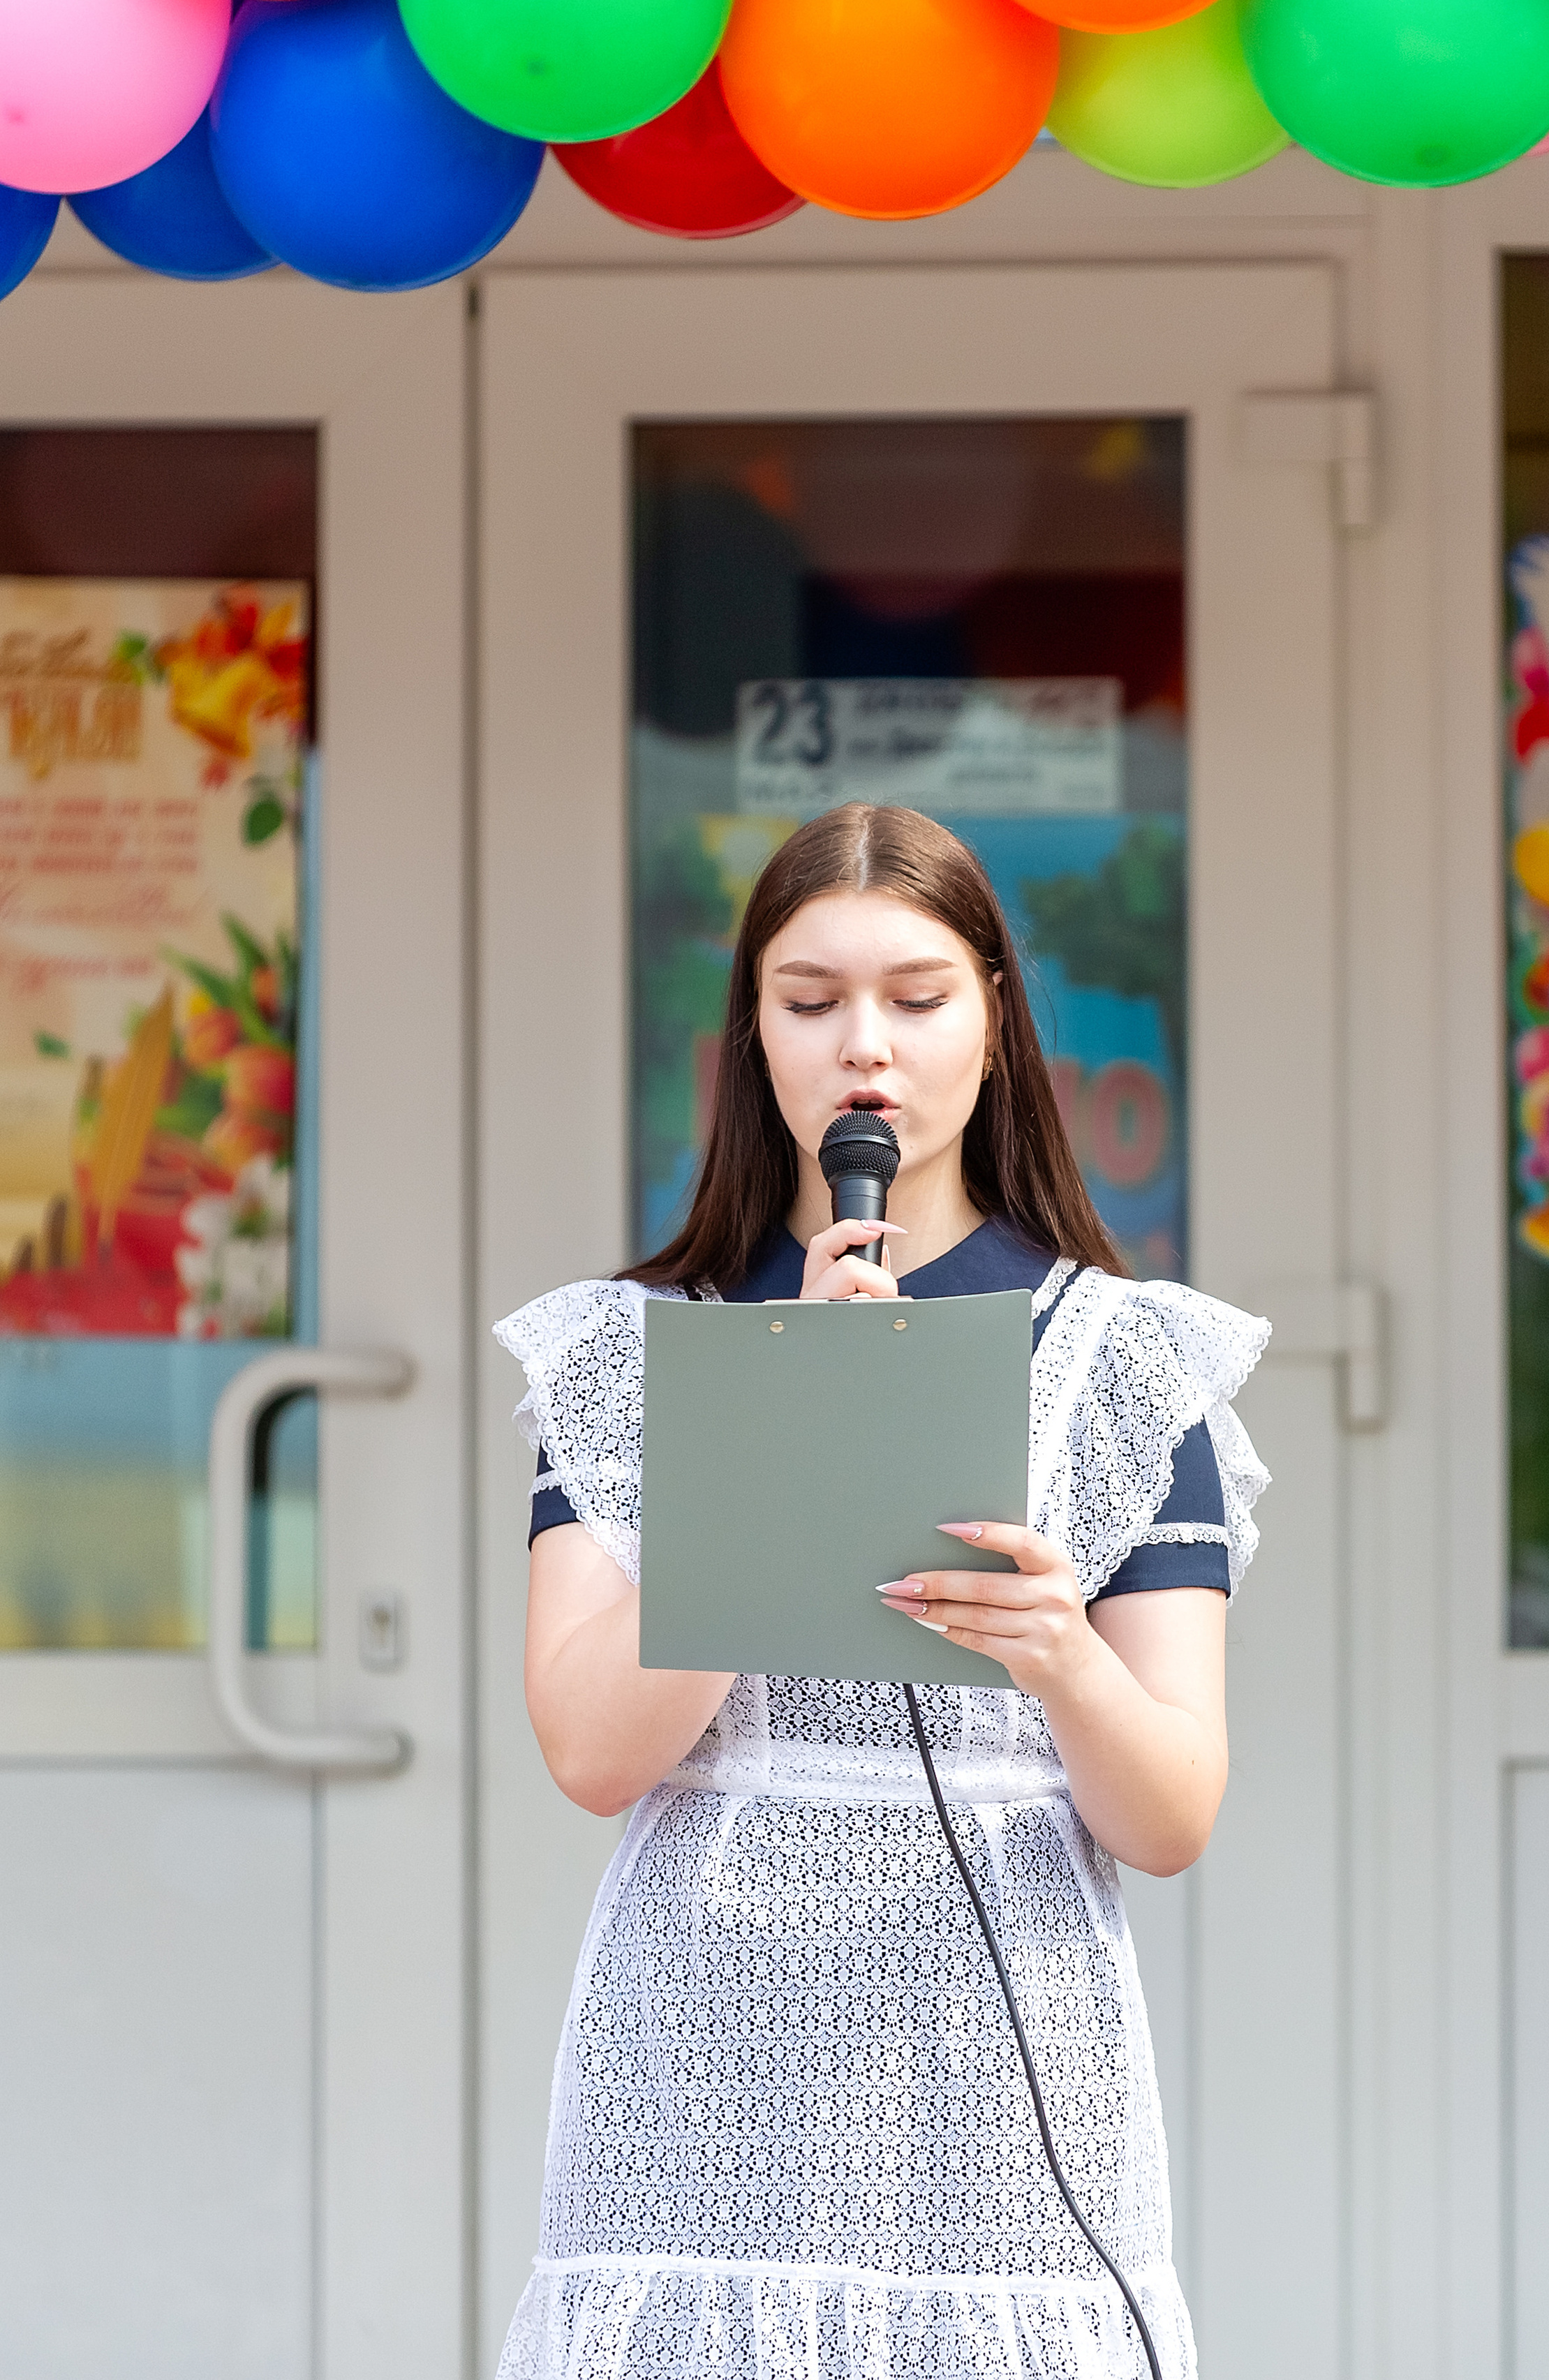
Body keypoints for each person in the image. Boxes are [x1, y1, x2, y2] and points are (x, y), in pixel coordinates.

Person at [496, 801, 1270, 2380]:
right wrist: (784, 1427)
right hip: (702, 2061)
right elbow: (589, 1750)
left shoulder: (1125, 1361)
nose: (866, 1044)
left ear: (994, 1018)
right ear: (750, 1033)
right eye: (811, 999)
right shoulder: (629, 1348)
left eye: (917, 997)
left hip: (1002, 2076)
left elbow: (1172, 1812)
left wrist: (1062, 1655)